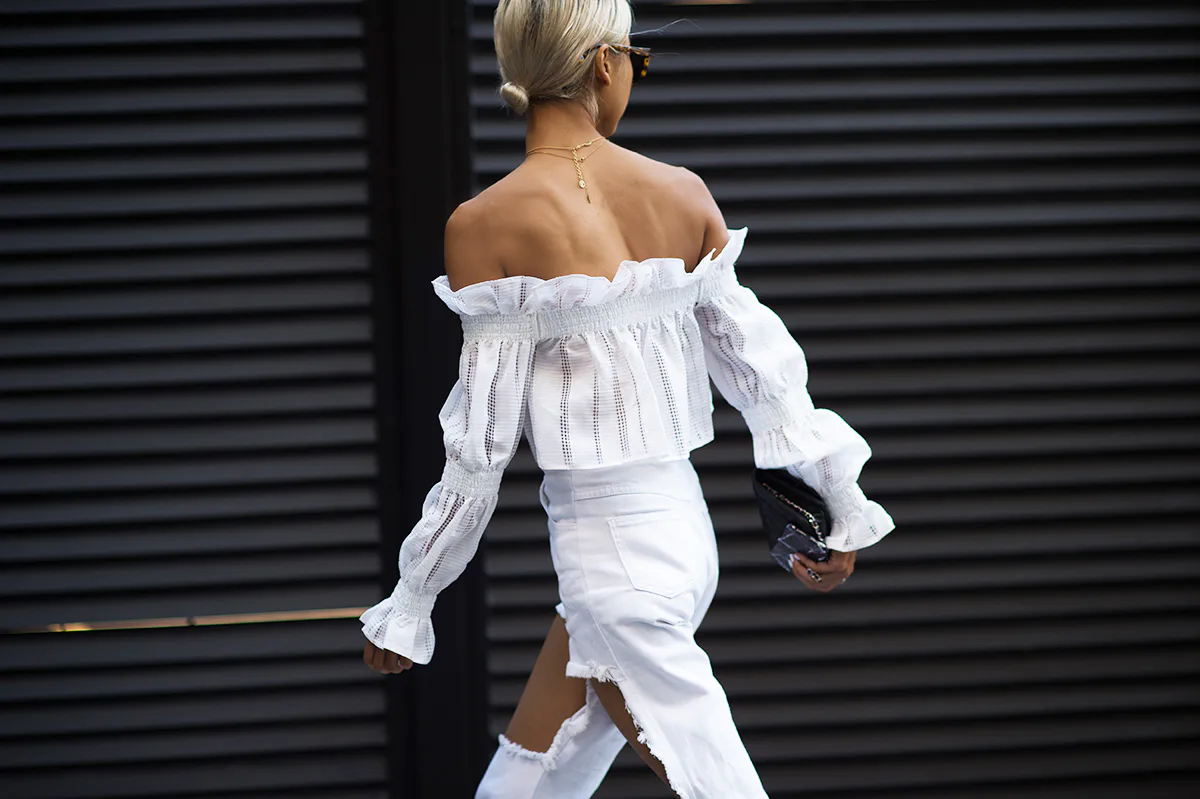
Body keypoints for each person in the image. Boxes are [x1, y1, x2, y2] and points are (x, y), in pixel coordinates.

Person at [359, 1, 896, 796]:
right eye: (637, 62)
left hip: (611, 562)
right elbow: (765, 373)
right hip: (680, 542)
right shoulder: (681, 193)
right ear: (604, 65)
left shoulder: (484, 226)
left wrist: (414, 596)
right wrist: (837, 500)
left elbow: (479, 451)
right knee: (530, 778)